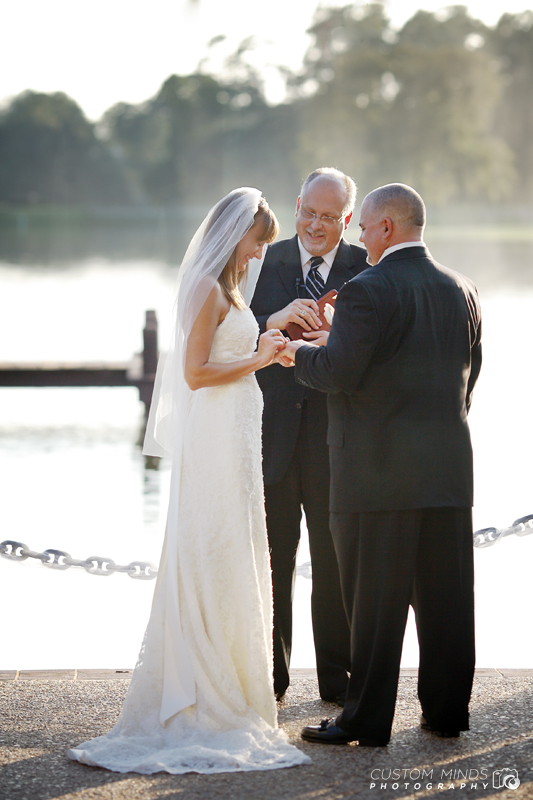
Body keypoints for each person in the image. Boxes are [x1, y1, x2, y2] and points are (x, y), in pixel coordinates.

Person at [67, 188, 310, 773]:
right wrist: (259, 359)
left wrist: (266, 344)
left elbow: (231, 344)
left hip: (237, 434)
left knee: (237, 549)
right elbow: (197, 373)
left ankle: (232, 679)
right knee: (212, 548)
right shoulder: (205, 286)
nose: (258, 256)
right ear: (235, 236)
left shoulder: (228, 288)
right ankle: (203, 690)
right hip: (214, 436)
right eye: (256, 243)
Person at [280, 183, 482, 746]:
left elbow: (337, 375)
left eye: (364, 226)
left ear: (387, 227)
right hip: (446, 472)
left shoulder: (368, 288)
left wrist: (298, 352)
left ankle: (365, 721)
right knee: (447, 605)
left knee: (372, 607)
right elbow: (469, 376)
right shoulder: (462, 288)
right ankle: (446, 714)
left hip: (375, 476)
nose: (360, 235)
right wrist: (336, 341)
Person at [250, 168, 367, 704]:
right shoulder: (260, 259)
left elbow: (376, 351)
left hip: (336, 441)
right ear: (296, 205)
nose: (315, 226)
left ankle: (337, 684)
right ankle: (269, 681)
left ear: (348, 218)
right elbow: (224, 333)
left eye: (328, 217)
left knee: (336, 561)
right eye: (308, 213)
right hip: (269, 438)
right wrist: (272, 320)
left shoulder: (364, 268)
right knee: (272, 560)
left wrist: (335, 339)